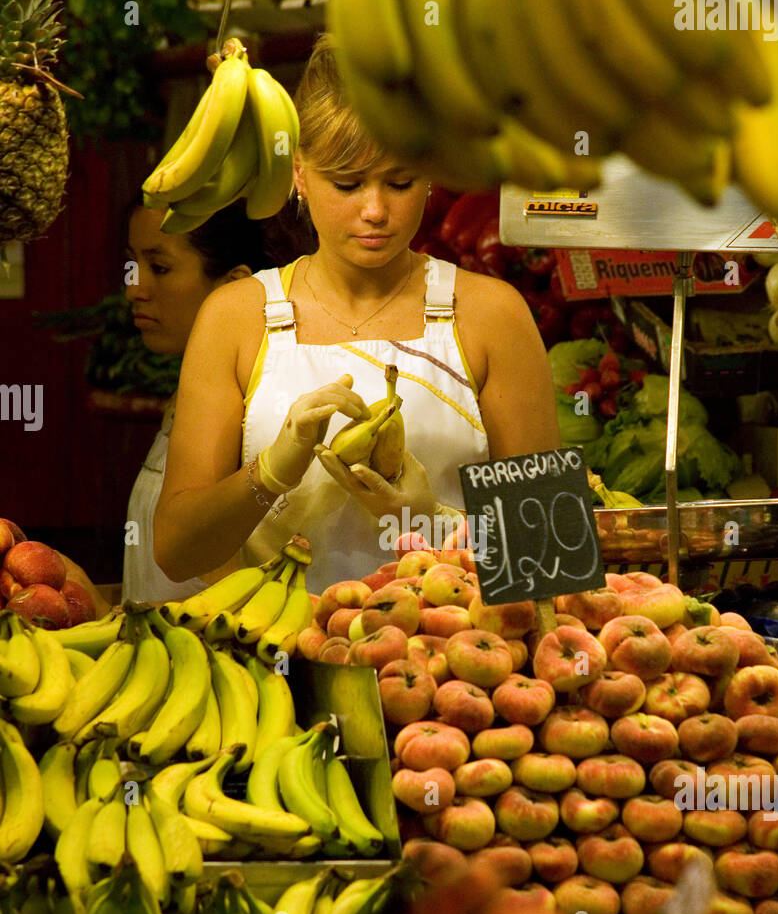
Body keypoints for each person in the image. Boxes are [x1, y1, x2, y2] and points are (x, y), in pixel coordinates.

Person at [154, 34, 560, 594]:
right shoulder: (236, 318)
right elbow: (176, 551)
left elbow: (551, 558)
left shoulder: (491, 316)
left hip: (445, 663)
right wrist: (269, 473)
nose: (376, 212)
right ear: (299, 174)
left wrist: (432, 523)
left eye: (400, 182)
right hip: (282, 662)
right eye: (346, 184)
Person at [122, 199, 271, 603]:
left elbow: (228, 602)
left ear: (233, 285)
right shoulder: (184, 398)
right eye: (132, 264)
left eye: (160, 267)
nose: (135, 288)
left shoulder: (253, 419)